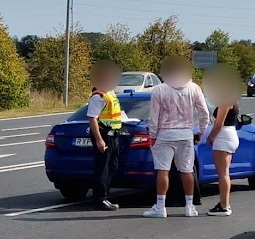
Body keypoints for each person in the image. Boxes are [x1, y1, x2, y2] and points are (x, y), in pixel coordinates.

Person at [142, 56, 209, 218]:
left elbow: (154, 116)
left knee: (163, 170)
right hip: (186, 133)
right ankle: (189, 206)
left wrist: (152, 135)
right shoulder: (194, 88)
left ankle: (160, 206)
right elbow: (204, 113)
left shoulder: (159, 90)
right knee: (186, 170)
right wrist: (200, 131)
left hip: (165, 133)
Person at [84, 61, 131, 211]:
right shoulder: (99, 96)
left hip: (114, 135)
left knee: (112, 166)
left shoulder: (110, 93)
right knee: (102, 169)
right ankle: (100, 198)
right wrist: (99, 140)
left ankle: (104, 196)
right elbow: (92, 118)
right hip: (105, 136)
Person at [203, 84, 243, 216]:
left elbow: (219, 124)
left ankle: (224, 206)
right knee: (224, 172)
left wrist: (210, 138)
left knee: (223, 173)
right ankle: (224, 204)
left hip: (224, 136)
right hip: (230, 134)